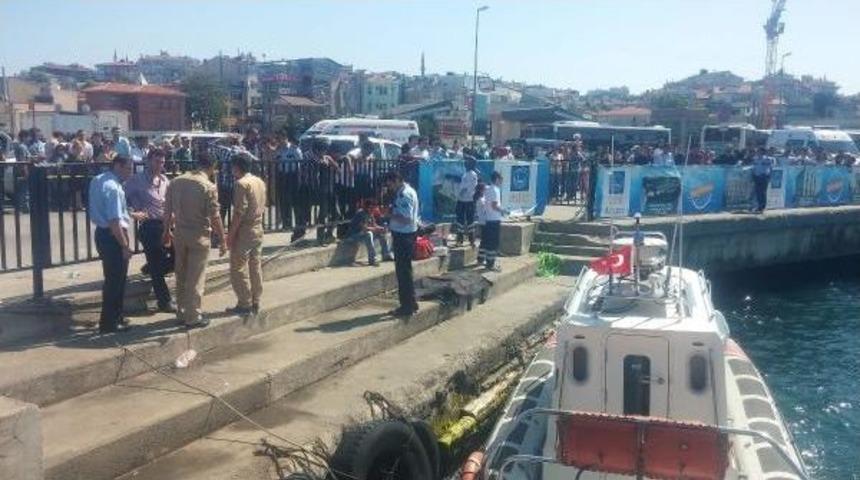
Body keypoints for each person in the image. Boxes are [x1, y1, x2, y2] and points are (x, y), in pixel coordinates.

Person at [163, 152, 227, 329]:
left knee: (181, 274)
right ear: (212, 167)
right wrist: (222, 239)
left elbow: (167, 210)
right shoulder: (208, 186)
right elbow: (215, 217)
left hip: (180, 234)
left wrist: (166, 231)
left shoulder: (176, 181)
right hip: (199, 235)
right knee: (196, 278)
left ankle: (181, 312)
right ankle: (193, 316)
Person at [88, 155, 135, 333]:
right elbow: (115, 221)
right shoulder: (114, 188)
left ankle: (116, 316)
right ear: (118, 166)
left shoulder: (98, 180)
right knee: (116, 281)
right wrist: (124, 246)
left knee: (112, 279)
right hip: (114, 236)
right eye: (128, 169)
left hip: (102, 234)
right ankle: (109, 322)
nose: (130, 173)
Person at [125, 149, 174, 313]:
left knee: (179, 255)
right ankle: (164, 301)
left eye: (162, 162)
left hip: (166, 224)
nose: (160, 165)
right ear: (148, 161)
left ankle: (151, 268)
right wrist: (132, 212)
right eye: (156, 161)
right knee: (156, 263)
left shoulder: (165, 180)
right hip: (149, 226)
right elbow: (121, 200)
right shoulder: (136, 180)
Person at [226, 152, 267, 316]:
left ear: (236, 167)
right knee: (255, 265)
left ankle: (244, 301)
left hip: (245, 229)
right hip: (258, 226)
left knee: (238, 267)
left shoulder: (241, 184)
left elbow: (238, 213)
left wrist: (230, 234)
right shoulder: (259, 181)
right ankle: (256, 299)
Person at [385, 170, 419, 317]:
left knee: (403, 272)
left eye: (390, 184)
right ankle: (411, 302)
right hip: (405, 234)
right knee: (406, 270)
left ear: (397, 181)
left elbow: (407, 218)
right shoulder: (408, 190)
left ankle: (406, 307)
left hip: (403, 236)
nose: (390, 187)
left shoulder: (404, 194)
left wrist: (389, 214)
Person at [349, 199, 392, 267]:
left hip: (364, 233)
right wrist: (375, 229)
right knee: (369, 234)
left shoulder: (371, 213)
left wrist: (381, 228)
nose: (373, 209)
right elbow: (364, 228)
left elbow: (374, 225)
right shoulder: (360, 214)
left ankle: (386, 255)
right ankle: (372, 259)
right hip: (356, 234)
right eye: (371, 208)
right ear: (366, 207)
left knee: (382, 234)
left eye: (373, 208)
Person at [481, 171, 504, 271]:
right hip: (494, 219)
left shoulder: (488, 189)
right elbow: (494, 206)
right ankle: (491, 264)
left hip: (488, 219)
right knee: (493, 242)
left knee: (488, 241)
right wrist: (504, 211)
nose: (501, 182)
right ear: (497, 179)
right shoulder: (496, 190)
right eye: (501, 179)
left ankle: (488, 261)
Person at [455, 157, 479, 246]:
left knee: (470, 220)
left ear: (471, 164)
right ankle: (460, 239)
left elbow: (467, 188)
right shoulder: (466, 173)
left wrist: (459, 194)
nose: (465, 163)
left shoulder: (472, 174)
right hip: (462, 200)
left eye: (468, 162)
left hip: (468, 200)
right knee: (460, 220)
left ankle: (471, 240)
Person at [751, 147, 773, 214]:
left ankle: (762, 207)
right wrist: (753, 175)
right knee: (758, 192)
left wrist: (769, 177)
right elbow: (753, 168)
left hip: (763, 177)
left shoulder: (767, 159)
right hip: (756, 177)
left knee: (763, 192)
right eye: (757, 151)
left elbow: (769, 169)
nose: (758, 152)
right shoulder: (755, 159)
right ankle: (758, 206)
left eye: (759, 151)